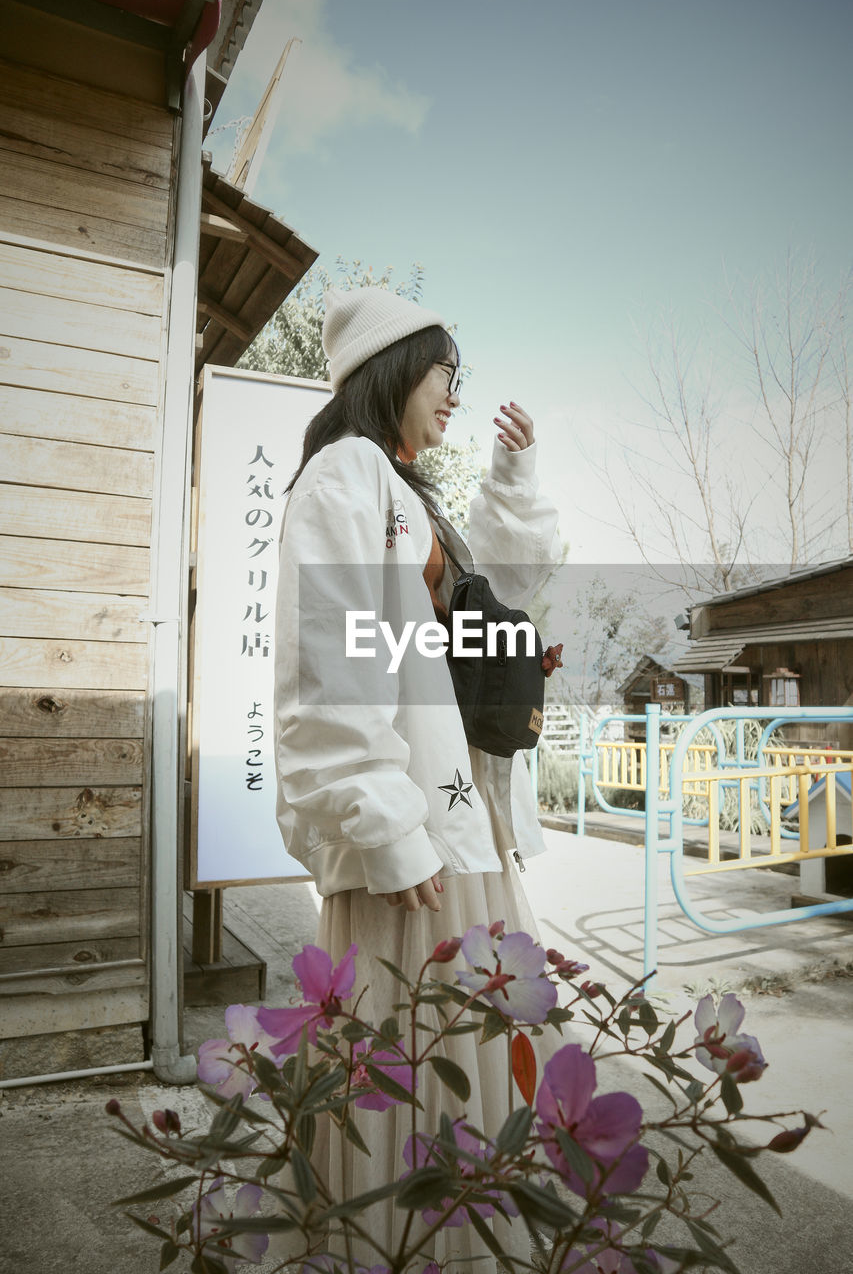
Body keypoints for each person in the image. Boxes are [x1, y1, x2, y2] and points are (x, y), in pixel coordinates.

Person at [273, 285, 561, 1270]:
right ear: (396, 367)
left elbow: (502, 594)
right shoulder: (345, 474)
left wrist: (513, 473)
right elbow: (331, 662)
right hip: (413, 838)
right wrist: (383, 822)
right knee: (412, 1063)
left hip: (457, 823)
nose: (455, 394)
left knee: (460, 1057)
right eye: (447, 373)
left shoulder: (404, 490)